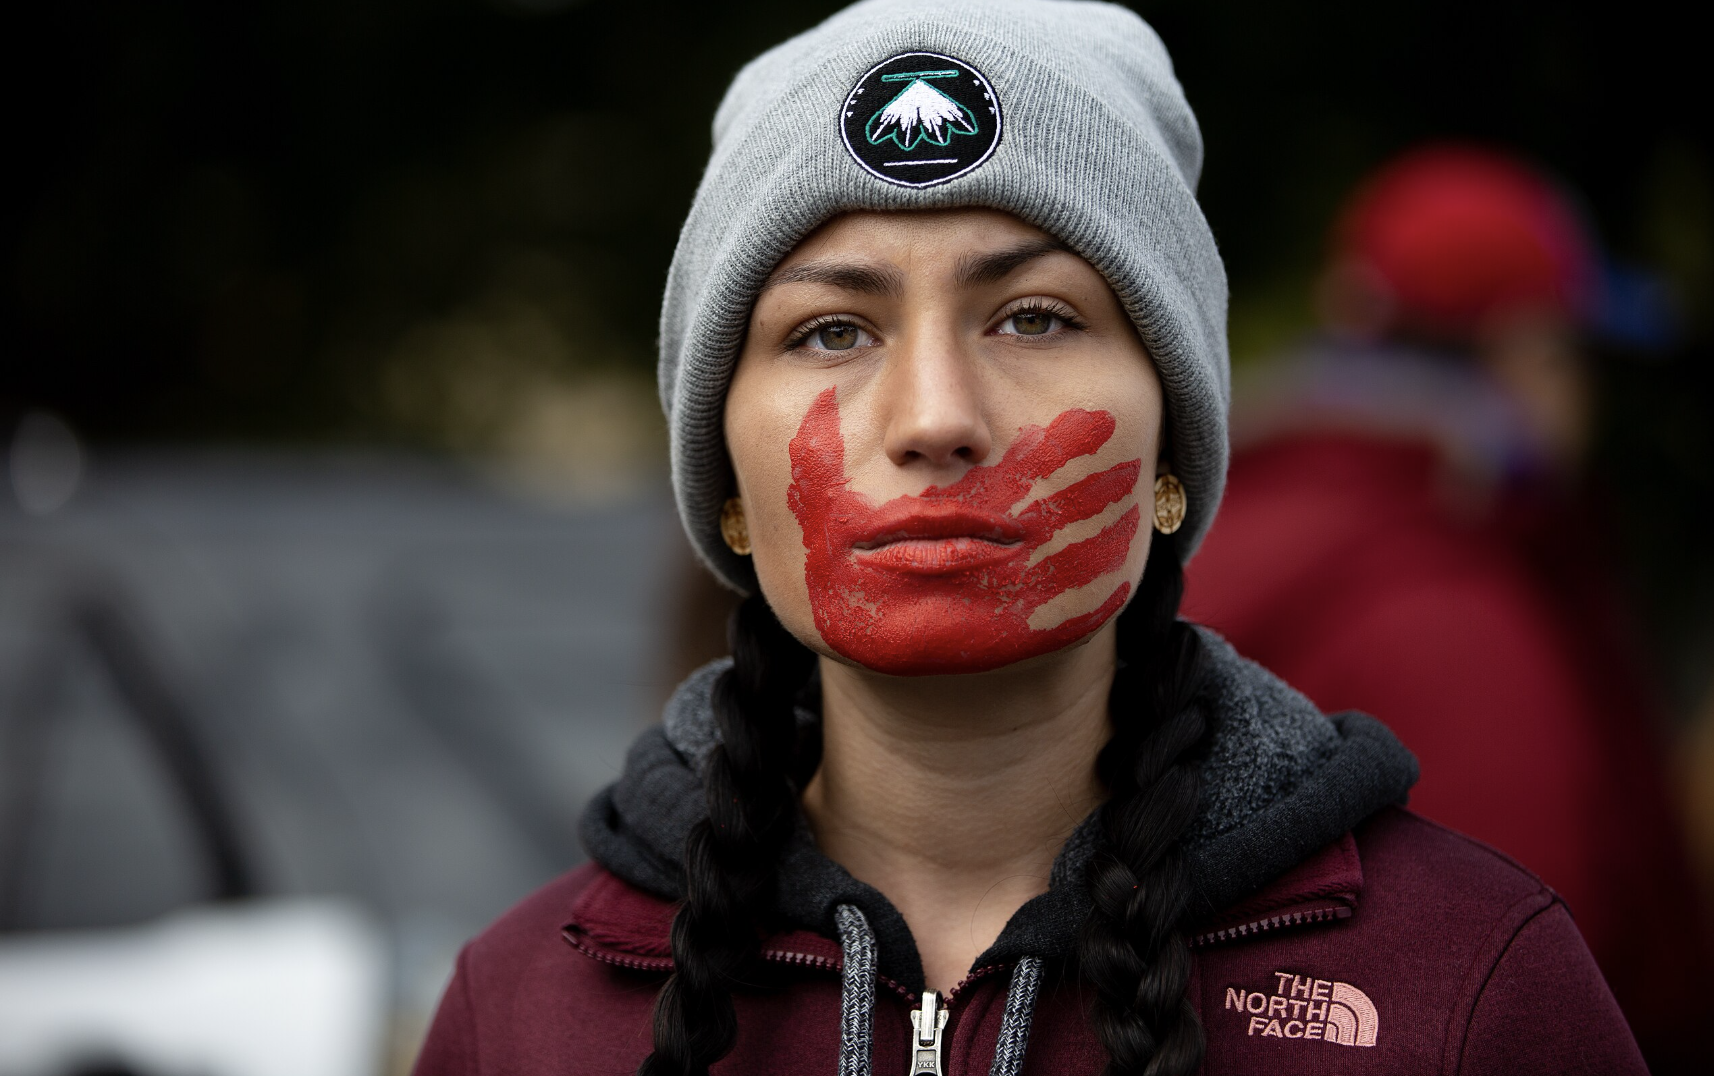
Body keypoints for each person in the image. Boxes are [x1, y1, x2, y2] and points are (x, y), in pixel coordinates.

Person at [413, 3, 1645, 1073]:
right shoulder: (517, 1010)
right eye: (832, 331)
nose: (937, 415)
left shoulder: (1471, 985)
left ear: (1173, 447)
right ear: (723, 483)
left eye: (1036, 317)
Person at [1181, 146, 1708, 1069]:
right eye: (1578, 355)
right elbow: (1533, 978)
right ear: (1530, 356)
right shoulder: (1458, 606)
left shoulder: (1220, 531)